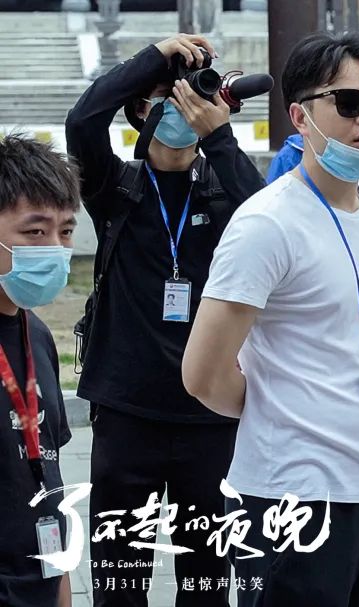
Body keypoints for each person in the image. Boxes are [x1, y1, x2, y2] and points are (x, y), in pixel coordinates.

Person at [182, 32, 359, 607]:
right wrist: (279, 404)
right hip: (288, 500)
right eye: (347, 102)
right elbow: (201, 375)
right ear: (300, 117)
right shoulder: (266, 224)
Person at [65, 33, 264, 606]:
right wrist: (154, 58)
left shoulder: (226, 190)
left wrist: (218, 135)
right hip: (126, 413)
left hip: (211, 416)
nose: (180, 106)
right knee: (120, 580)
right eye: (165, 97)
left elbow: (271, 218)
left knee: (206, 581)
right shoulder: (116, 186)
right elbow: (83, 122)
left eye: (188, 95)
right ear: (139, 112)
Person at [0, 134, 80, 607]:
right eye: (35, 232)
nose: (54, 248)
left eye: (65, 232)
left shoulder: (38, 335)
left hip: (42, 578)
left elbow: (48, 478)